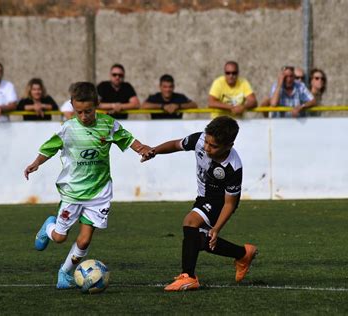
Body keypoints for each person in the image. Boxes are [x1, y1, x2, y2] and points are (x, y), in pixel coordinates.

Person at [24, 82, 152, 290]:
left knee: (83, 242)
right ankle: (49, 226)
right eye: (79, 111)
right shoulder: (68, 128)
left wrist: (142, 150)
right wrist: (35, 163)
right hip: (73, 192)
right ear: (73, 107)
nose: (84, 116)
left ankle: (63, 273)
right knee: (59, 238)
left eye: (89, 111)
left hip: (100, 192)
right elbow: (50, 148)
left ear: (97, 105)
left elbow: (127, 140)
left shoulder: (108, 124)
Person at [141, 116, 257, 291]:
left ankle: (189, 277)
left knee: (190, 222)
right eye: (207, 143)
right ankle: (243, 254)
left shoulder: (232, 167)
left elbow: (230, 204)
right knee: (200, 241)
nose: (207, 148)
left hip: (219, 202)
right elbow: (176, 145)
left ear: (229, 146)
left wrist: (217, 228)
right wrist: (154, 151)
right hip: (203, 196)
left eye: (214, 146)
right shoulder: (200, 139)